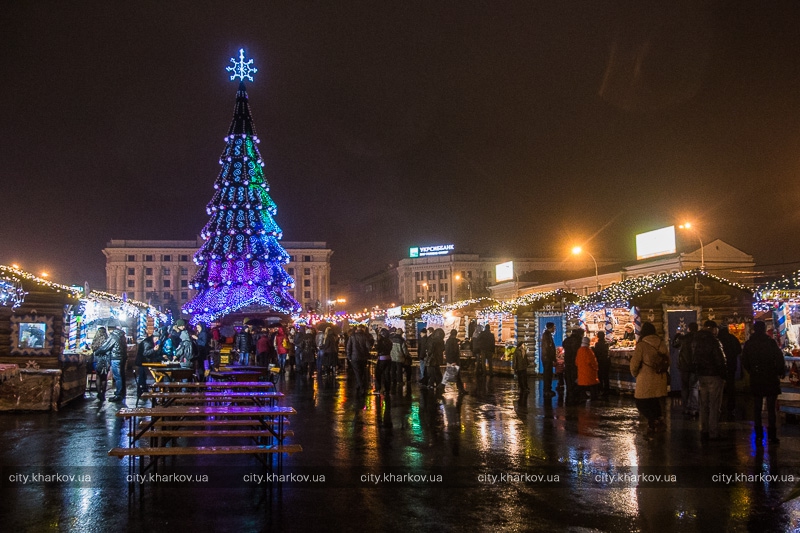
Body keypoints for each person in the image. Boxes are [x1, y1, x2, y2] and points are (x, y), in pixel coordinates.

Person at [741, 321, 785, 445]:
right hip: (770, 376)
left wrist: (752, 370)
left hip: (756, 376)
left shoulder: (749, 344)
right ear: (764, 329)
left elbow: (745, 361)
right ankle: (772, 434)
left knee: (757, 407)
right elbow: (779, 357)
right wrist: (779, 371)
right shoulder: (770, 342)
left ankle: (759, 434)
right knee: (771, 408)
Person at [630, 322, 669, 439]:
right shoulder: (661, 343)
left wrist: (635, 374)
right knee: (654, 401)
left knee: (641, 402)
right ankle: (656, 423)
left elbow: (634, 364)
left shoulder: (641, 345)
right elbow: (668, 361)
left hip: (645, 378)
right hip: (660, 377)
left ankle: (654, 421)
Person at [693, 320, 727, 441]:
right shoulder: (714, 341)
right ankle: (713, 431)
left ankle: (704, 428)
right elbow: (720, 360)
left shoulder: (696, 340)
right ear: (713, 329)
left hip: (701, 375)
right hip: (714, 375)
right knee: (714, 404)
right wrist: (723, 374)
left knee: (704, 404)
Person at [96, 323, 128, 402]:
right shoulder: (122, 336)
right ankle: (122, 393)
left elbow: (106, 346)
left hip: (116, 358)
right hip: (122, 357)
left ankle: (118, 394)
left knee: (117, 376)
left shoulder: (113, 336)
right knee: (121, 375)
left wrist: (97, 352)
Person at [673, 322, 699, 418]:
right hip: (695, 367)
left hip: (684, 367)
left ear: (688, 329)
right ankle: (695, 408)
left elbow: (674, 345)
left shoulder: (683, 338)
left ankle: (685, 408)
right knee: (694, 387)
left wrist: (677, 334)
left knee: (684, 387)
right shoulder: (699, 338)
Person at [718, 325, 742, 418]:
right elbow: (739, 350)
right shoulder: (733, 338)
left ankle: (719, 406)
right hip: (732, 364)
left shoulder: (718, 339)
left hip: (720, 366)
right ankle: (731, 406)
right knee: (731, 385)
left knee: (719, 385)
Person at [346, 325, 372, 395]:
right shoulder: (365, 337)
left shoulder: (352, 337)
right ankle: (360, 385)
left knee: (357, 372)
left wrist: (349, 357)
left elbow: (348, 347)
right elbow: (369, 346)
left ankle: (360, 386)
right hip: (363, 357)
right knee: (362, 371)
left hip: (354, 357)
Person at [562, 328, 584, 405]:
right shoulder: (578, 340)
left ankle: (569, 389)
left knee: (568, 375)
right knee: (575, 375)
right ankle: (575, 391)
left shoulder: (567, 340)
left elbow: (564, 345)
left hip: (567, 360)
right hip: (575, 360)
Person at [134, 333, 158, 403]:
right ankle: (141, 391)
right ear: (153, 337)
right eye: (156, 338)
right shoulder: (147, 342)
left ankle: (142, 390)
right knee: (142, 376)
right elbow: (145, 353)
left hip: (144, 362)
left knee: (143, 376)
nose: (157, 340)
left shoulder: (149, 341)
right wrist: (154, 349)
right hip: (143, 362)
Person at [576, 337, 599, 401]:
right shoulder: (589, 351)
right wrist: (596, 368)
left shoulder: (579, 350)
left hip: (581, 370)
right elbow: (592, 361)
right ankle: (594, 397)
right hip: (589, 371)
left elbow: (576, 361)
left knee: (582, 384)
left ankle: (582, 395)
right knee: (592, 385)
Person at [445, 329, 467, 394]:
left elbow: (448, 352)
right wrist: (454, 361)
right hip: (454, 360)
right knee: (455, 375)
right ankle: (461, 389)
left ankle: (461, 389)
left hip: (450, 360)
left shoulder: (448, 341)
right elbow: (453, 352)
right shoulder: (454, 341)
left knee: (454, 375)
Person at [91, 327, 109, 401]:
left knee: (98, 377)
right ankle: (103, 394)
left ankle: (99, 393)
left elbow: (92, 348)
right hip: (105, 360)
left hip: (96, 360)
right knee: (104, 378)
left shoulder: (95, 341)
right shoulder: (107, 340)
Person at [540, 322, 557, 398]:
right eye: (554, 327)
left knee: (548, 374)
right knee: (547, 374)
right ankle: (547, 390)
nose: (554, 328)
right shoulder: (546, 335)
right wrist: (549, 357)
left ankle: (548, 389)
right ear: (550, 327)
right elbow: (547, 347)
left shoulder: (548, 335)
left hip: (547, 358)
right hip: (547, 358)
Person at [594, 331, 611, 398]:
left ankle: (601, 389)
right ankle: (607, 389)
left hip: (600, 361)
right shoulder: (606, 343)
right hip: (606, 361)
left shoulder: (598, 344)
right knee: (606, 376)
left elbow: (596, 353)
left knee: (600, 376)